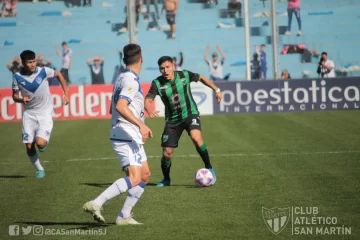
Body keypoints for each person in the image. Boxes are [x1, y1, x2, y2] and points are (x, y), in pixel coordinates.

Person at [83, 44, 153, 225]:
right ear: (141, 58)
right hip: (126, 134)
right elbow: (120, 106)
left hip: (128, 133)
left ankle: (124, 216)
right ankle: (97, 202)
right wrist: (141, 125)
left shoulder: (122, 77)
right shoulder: (131, 81)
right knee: (135, 177)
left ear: (124, 60)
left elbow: (111, 107)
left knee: (144, 175)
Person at [144, 56, 222, 187]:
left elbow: (201, 77)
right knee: (167, 154)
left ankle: (209, 168)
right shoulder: (157, 83)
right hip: (172, 121)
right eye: (162, 68)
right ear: (159, 70)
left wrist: (217, 89)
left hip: (190, 114)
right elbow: (147, 99)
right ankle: (166, 179)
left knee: (196, 138)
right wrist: (148, 109)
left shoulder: (184, 75)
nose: (165, 71)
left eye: (168, 67)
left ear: (173, 66)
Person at [12, 50, 69, 178]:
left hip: (45, 113)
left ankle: (43, 141)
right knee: (28, 145)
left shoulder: (43, 71)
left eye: (33, 62)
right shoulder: (17, 77)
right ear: (23, 63)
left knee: (40, 143)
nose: (32, 65)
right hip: (29, 114)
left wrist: (66, 93)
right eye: (29, 62)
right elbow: (14, 96)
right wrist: (21, 99)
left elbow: (59, 74)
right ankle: (40, 169)